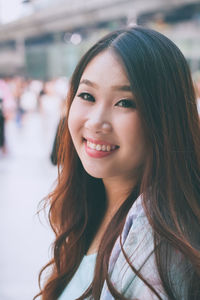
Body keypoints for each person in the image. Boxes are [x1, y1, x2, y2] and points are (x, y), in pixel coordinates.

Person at [34, 26, 200, 300]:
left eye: (125, 102)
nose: (97, 121)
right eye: (87, 96)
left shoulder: (159, 243)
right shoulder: (88, 207)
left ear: (166, 118)